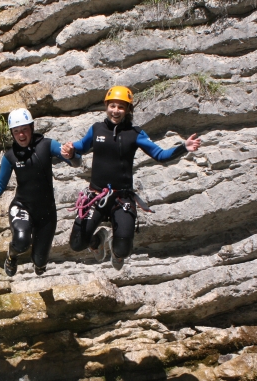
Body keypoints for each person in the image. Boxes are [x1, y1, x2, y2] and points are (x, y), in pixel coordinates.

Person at [61, 85, 201, 270]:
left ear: (128, 110)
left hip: (122, 198)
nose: (116, 111)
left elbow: (160, 155)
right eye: (112, 106)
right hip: (96, 196)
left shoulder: (135, 134)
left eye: (121, 107)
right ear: (106, 106)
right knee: (77, 243)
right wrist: (70, 151)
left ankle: (116, 252)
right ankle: (98, 241)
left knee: (123, 249)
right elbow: (81, 146)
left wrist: (183, 147)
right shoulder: (96, 129)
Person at [0, 108, 81, 277]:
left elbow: (75, 163)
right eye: (16, 131)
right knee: (22, 241)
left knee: (40, 262)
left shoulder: (47, 145)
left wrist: (73, 154)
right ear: (12, 133)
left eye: (24, 129)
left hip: (46, 213)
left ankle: (39, 263)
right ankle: (11, 255)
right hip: (22, 206)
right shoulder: (10, 156)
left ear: (31, 128)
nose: (21, 135)